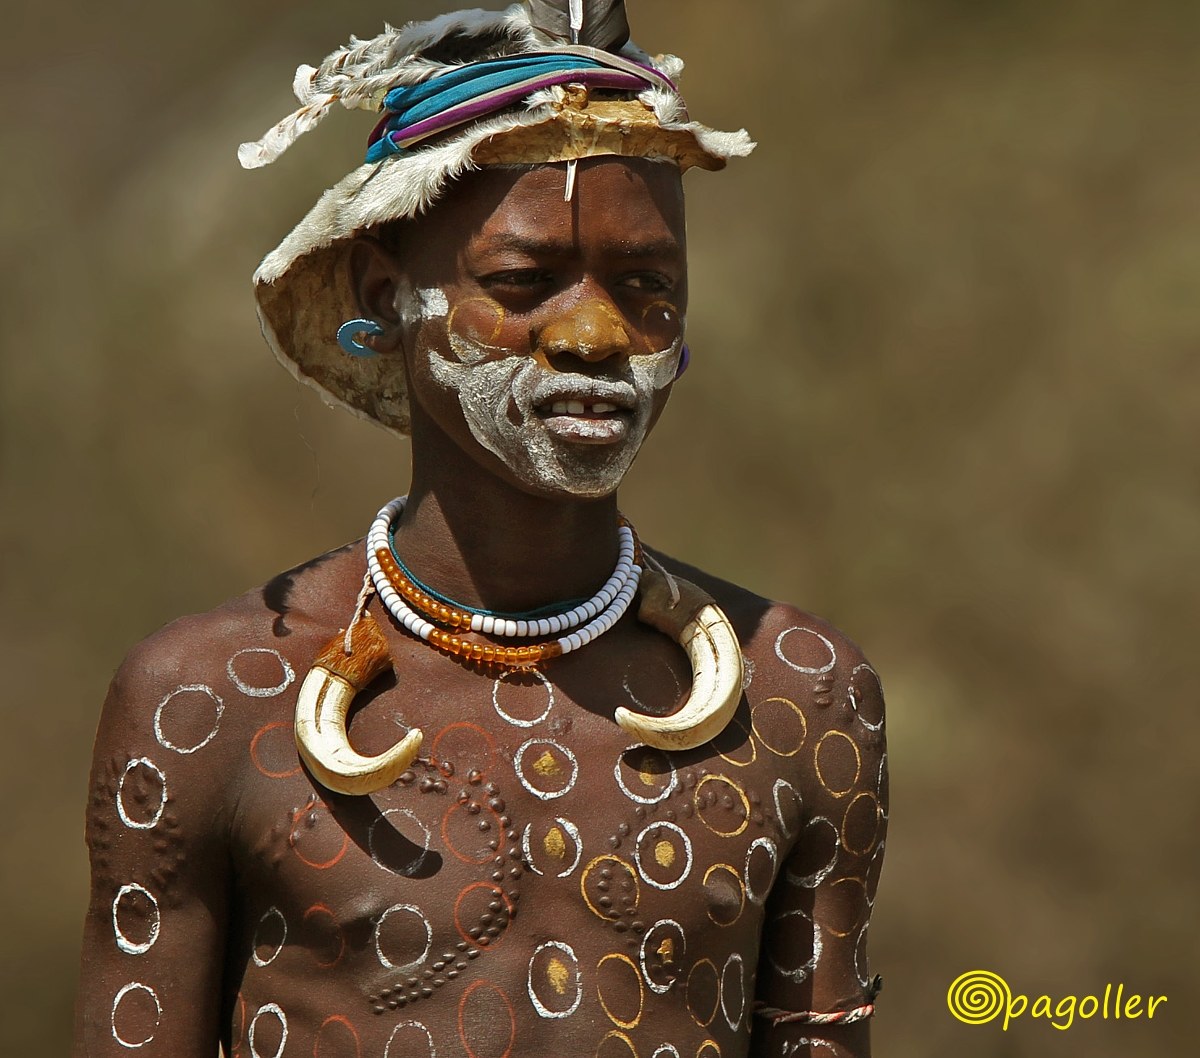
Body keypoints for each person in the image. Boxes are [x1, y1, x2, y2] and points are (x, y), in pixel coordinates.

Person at [73, 4, 888, 1057]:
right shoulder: (209, 701)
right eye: (520, 282)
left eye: (647, 288)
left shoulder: (799, 695)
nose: (595, 335)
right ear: (385, 292)